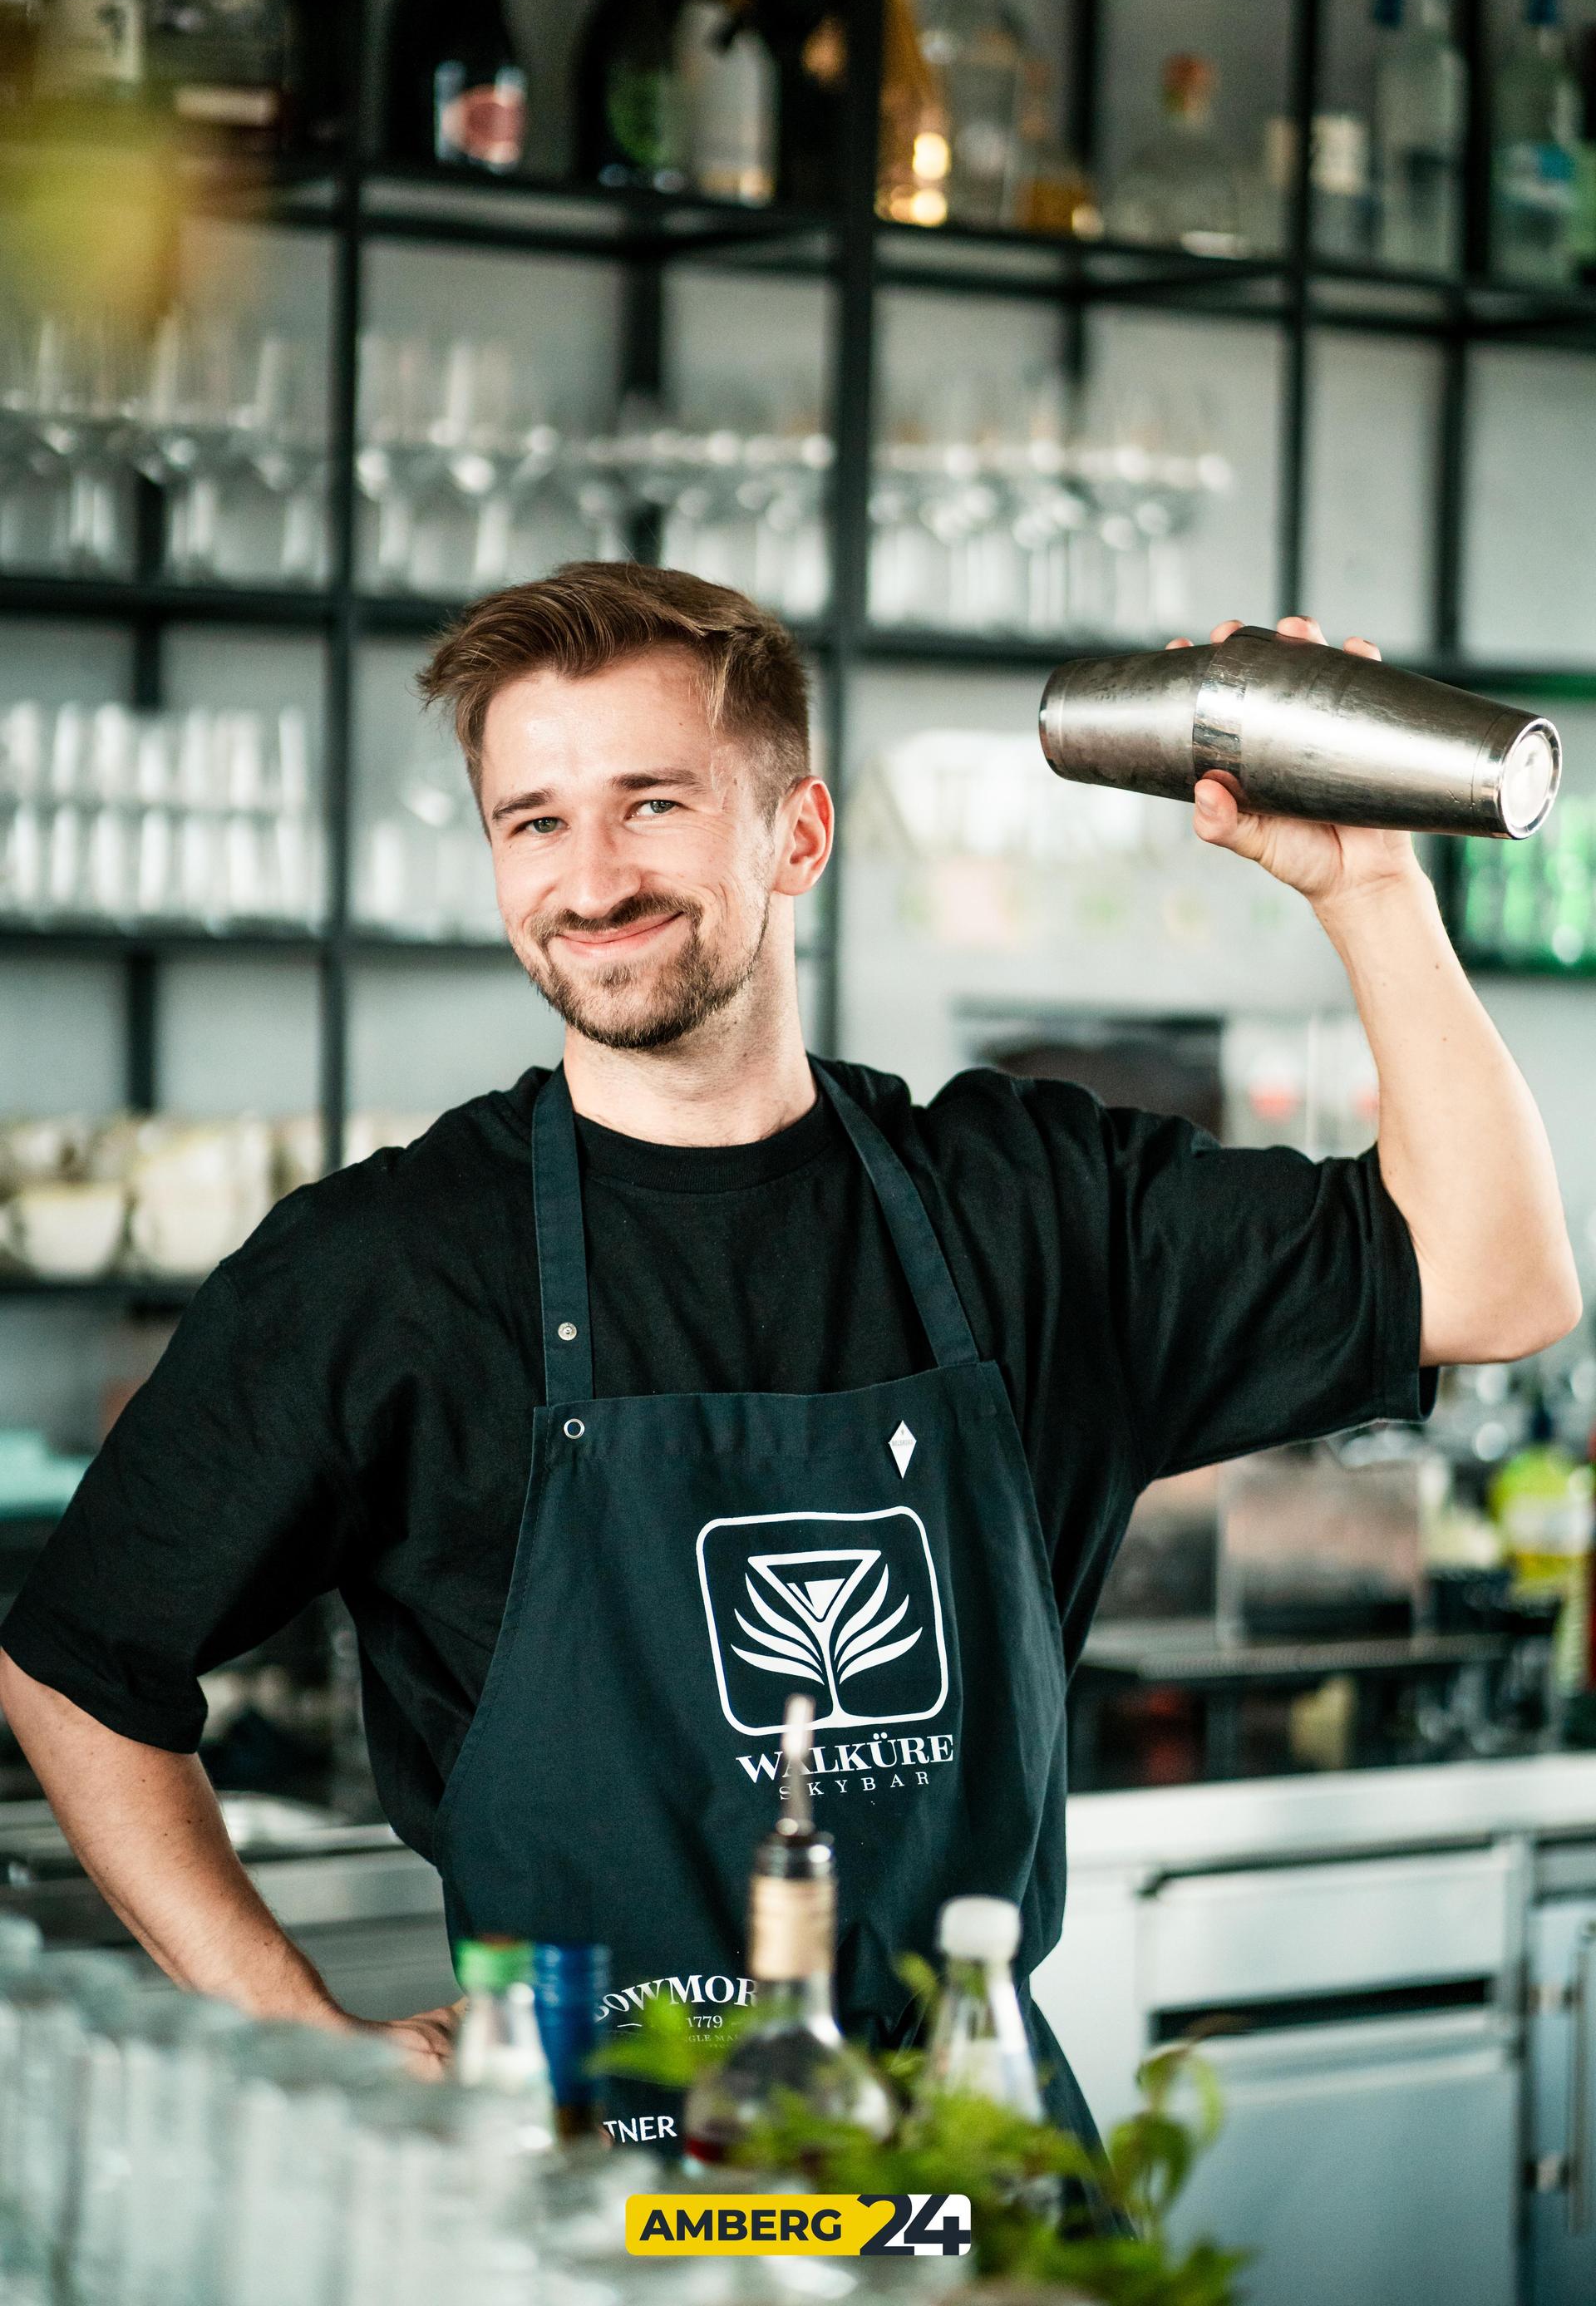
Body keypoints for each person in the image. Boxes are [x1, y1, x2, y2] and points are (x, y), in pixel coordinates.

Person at [0, 566, 1579, 2156]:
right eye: (533, 821)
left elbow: (1498, 1279)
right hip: (584, 2212)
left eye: (655, 805)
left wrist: (1370, 886)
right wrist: (297, 2029)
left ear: (797, 834)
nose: (592, 875)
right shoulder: (387, 1270)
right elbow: (74, 1666)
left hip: (963, 2190)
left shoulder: (1026, 1210)